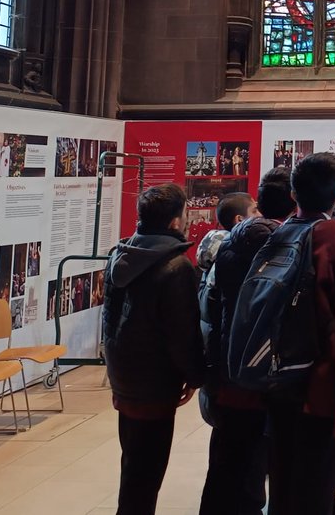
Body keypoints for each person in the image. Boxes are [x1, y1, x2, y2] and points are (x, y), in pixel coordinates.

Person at [102, 183, 206, 515]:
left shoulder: (120, 254)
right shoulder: (176, 267)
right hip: (155, 384)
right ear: (176, 222)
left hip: (125, 378)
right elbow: (182, 334)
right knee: (145, 476)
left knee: (133, 467)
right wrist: (195, 375)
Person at [264, 153, 335, 515]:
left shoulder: (278, 233)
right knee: (316, 479)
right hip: (318, 380)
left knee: (282, 476)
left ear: (292, 193)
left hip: (275, 375)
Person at [198, 187, 278, 515]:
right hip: (247, 381)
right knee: (246, 472)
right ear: (240, 220)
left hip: (222, 378)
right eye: (255, 212)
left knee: (224, 466)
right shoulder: (250, 257)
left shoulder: (215, 258)